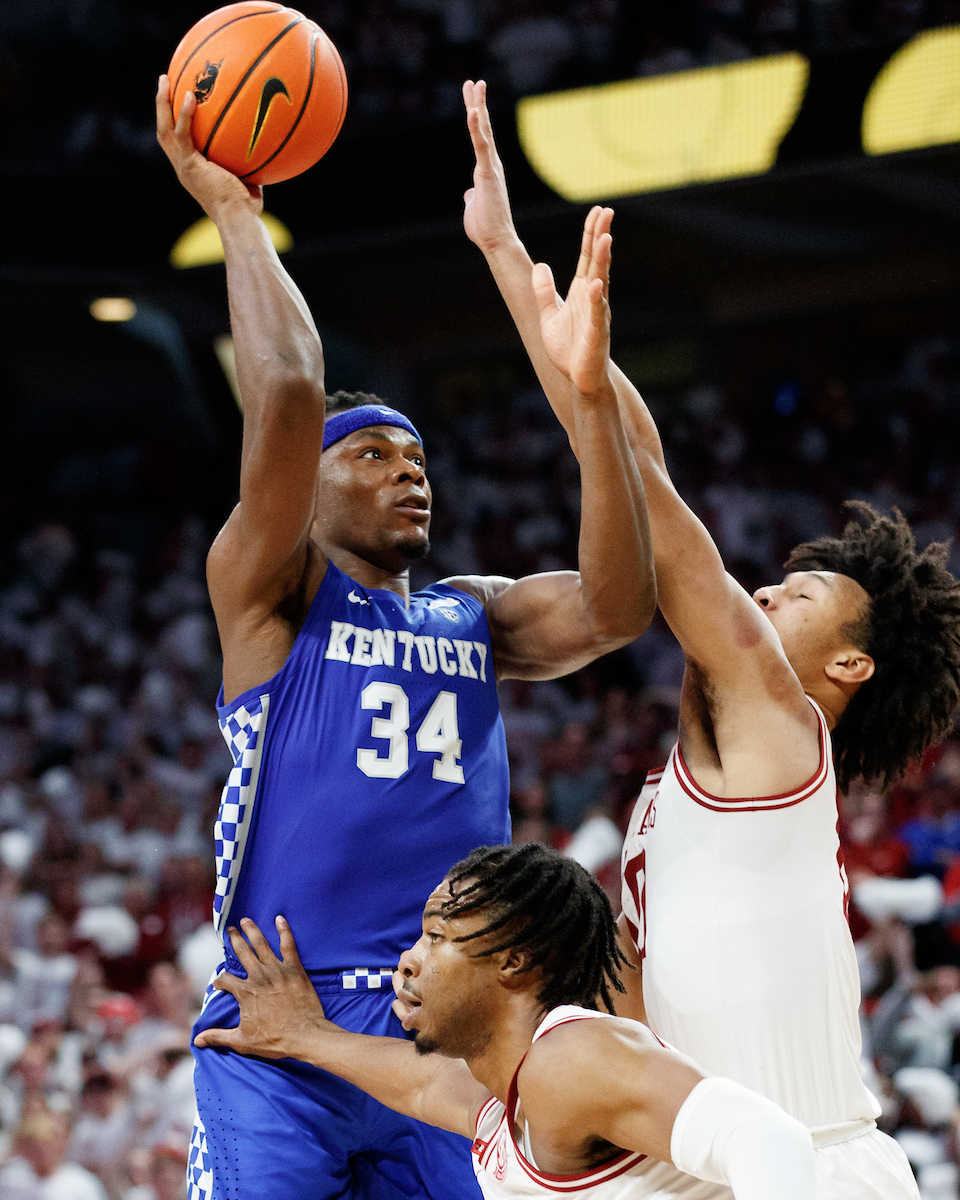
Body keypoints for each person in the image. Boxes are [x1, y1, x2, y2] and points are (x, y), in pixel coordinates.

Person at [155, 73, 655, 1200]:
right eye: (371, 456)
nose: (405, 473)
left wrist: (591, 412)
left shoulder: (469, 614)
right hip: (284, 1009)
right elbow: (286, 396)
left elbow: (620, 607)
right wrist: (237, 213)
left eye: (418, 459)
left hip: (451, 1016)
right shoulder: (270, 594)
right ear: (311, 487)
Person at [457, 79, 960, 1197]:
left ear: (851, 665)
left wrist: (575, 375)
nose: (772, 591)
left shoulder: (781, 733)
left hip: (820, 1170)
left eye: (806, 591)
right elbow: (640, 464)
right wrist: (502, 254)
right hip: (720, 1166)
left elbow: (655, 505)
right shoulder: (686, 789)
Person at [195, 843, 816, 1200]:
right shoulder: (510, 1097)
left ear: (514, 961)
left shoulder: (570, 1057)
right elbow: (422, 1083)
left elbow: (769, 1140)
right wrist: (306, 1035)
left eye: (438, 935)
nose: (409, 959)